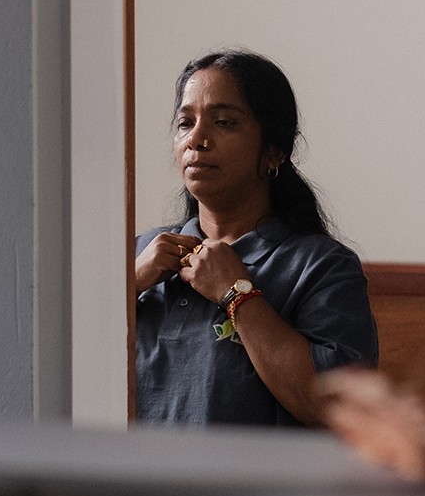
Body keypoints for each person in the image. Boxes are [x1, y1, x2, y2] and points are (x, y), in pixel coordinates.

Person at [134, 50, 377, 427]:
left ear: (274, 151)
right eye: (185, 123)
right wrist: (129, 283)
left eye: (224, 122)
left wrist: (237, 293)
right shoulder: (140, 255)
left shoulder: (321, 267)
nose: (196, 139)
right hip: (133, 484)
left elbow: (339, 410)